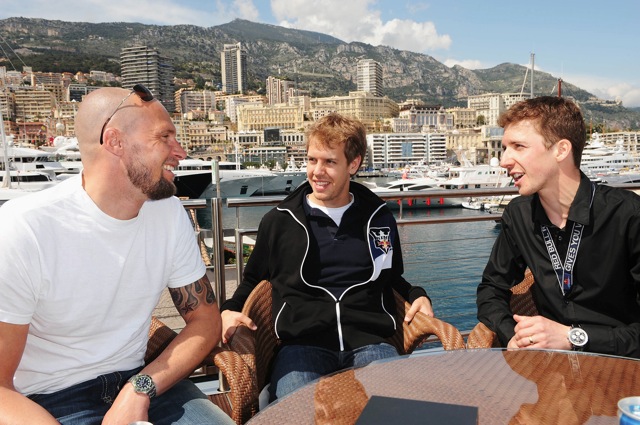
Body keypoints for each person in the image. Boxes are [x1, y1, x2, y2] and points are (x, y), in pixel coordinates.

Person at [0, 85, 233, 424]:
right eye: (164, 137)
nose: (180, 152)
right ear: (114, 141)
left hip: (143, 382)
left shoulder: (167, 213)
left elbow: (206, 321)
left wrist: (139, 389)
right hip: (51, 400)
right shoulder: (25, 228)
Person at [220, 113, 434, 401]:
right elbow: (253, 280)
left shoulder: (378, 218)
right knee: (299, 413)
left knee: (396, 411)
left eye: (330, 162)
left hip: (371, 345)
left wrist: (418, 294)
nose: (317, 172)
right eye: (312, 160)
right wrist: (228, 310)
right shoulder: (280, 221)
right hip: (302, 347)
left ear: (353, 164)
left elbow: (391, 278)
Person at [476, 96, 640, 358]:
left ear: (561, 150)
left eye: (518, 146)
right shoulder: (518, 215)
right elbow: (491, 289)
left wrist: (573, 338)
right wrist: (512, 335)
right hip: (552, 369)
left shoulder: (628, 215)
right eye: (505, 148)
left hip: (623, 366)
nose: (504, 160)